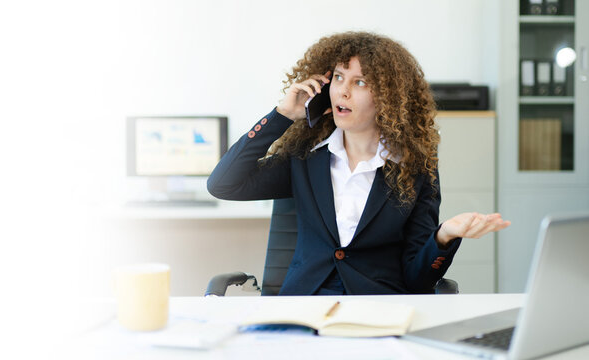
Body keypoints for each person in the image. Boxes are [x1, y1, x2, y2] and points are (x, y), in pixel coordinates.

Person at [207, 31, 510, 295]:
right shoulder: (304, 159)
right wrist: (282, 115)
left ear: (388, 98)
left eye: (360, 82)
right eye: (338, 77)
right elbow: (223, 184)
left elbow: (418, 280)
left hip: (377, 307)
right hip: (305, 305)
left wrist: (444, 236)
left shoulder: (414, 170)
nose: (343, 90)